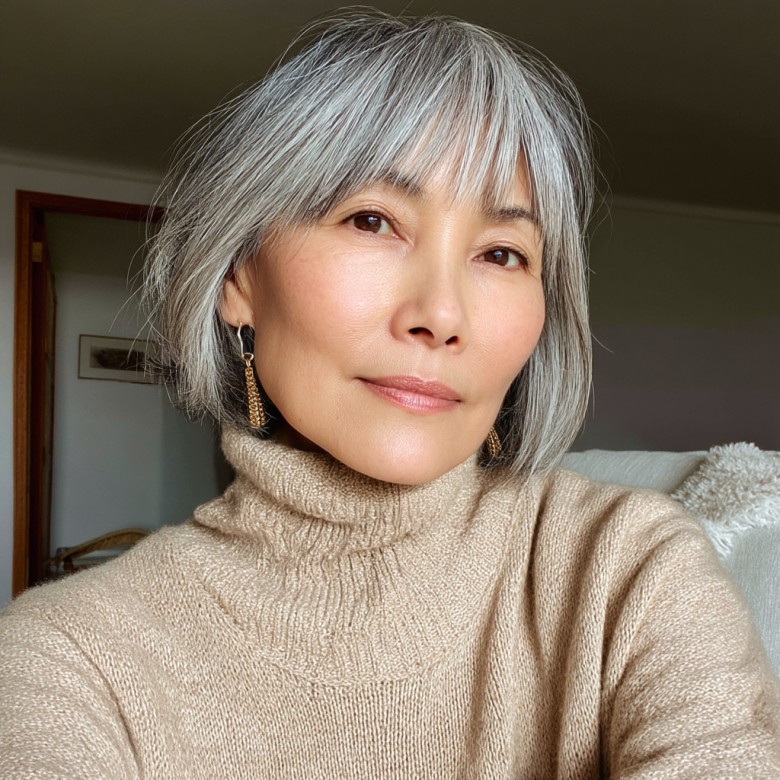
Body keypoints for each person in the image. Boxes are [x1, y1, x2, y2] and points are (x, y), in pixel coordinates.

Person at [1, 9, 778, 778]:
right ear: (238, 279)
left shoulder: (627, 569)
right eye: (371, 220)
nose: (441, 315)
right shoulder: (69, 658)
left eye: (502, 253)